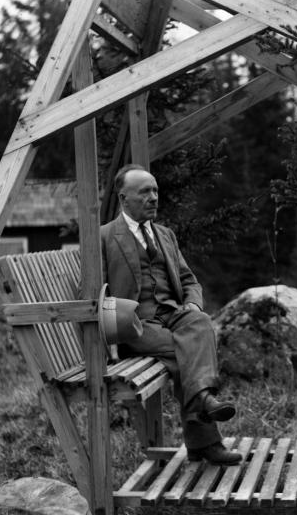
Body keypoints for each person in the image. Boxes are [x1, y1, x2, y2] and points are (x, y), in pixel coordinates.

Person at [100, 164, 241, 465]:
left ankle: (202, 410)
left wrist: (193, 304)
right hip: (135, 326)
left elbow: (189, 280)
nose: (153, 198)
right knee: (189, 349)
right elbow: (91, 293)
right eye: (144, 192)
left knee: (201, 322)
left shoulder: (165, 235)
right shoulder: (104, 237)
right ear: (124, 198)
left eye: (155, 191)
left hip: (172, 314)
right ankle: (205, 432)